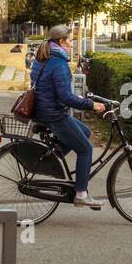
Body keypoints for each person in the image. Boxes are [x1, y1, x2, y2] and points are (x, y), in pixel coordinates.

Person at [30, 23, 106, 209]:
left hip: (43, 110)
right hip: (54, 114)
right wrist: (91, 105)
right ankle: (81, 194)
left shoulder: (43, 58)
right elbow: (65, 97)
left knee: (85, 132)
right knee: (86, 149)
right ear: (61, 42)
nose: (72, 45)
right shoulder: (59, 63)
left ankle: (51, 159)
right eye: (70, 41)